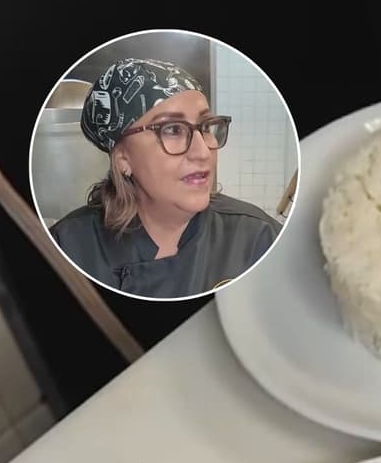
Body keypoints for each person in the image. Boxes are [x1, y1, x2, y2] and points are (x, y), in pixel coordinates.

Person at [50, 57, 281, 299]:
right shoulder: (67, 248)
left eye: (205, 127)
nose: (203, 152)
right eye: (171, 129)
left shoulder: (257, 238)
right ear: (123, 158)